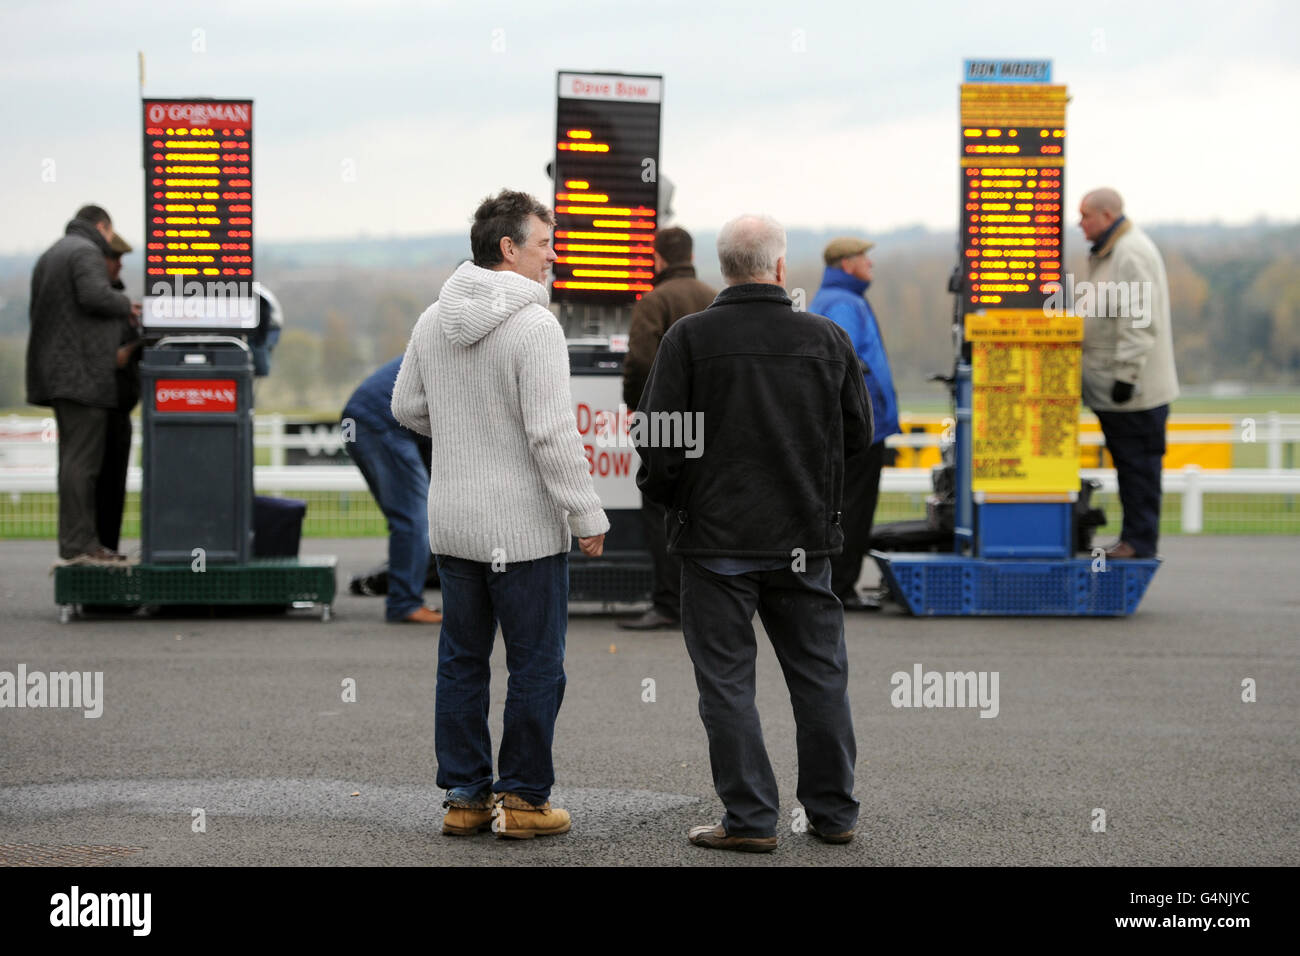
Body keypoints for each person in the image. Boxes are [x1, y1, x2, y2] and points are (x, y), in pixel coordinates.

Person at [636, 213, 873, 852]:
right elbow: (858, 434)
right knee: (820, 677)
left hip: (715, 543)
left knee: (727, 683)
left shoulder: (689, 338)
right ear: (780, 267)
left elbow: (659, 441)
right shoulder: (827, 338)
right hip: (803, 540)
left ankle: (749, 820)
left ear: (724, 268)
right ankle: (833, 813)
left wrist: (672, 498)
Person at [392, 189, 608, 840]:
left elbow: (405, 407)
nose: (553, 255)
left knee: (461, 662)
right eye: (545, 243)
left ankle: (464, 799)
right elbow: (551, 435)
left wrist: (464, 426)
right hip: (523, 532)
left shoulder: (434, 319)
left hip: (454, 524)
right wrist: (586, 514)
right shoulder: (537, 326)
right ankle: (523, 802)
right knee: (535, 666)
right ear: (509, 248)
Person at [26, 205, 141, 561]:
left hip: (62, 374)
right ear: (102, 227)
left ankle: (79, 543)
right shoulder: (86, 251)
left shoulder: (53, 254)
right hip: (82, 377)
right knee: (82, 464)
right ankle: (81, 546)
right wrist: (127, 306)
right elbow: (93, 295)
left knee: (74, 460)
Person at [619, 226, 716, 631]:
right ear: (690, 256)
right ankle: (706, 601)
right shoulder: (714, 298)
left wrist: (637, 406)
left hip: (663, 424)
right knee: (705, 510)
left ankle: (667, 604)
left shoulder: (654, 301)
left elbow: (641, 361)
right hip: (710, 423)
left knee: (659, 509)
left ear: (658, 259)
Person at [1078, 188, 1179, 559]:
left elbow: (1140, 319)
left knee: (1138, 471)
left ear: (1107, 216)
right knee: (1131, 468)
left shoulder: (1129, 252)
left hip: (1134, 394)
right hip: (1117, 392)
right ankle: (1134, 540)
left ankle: (1138, 544)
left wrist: (1126, 375)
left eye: (1086, 215)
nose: (1080, 223)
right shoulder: (1112, 252)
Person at [810, 237, 900, 609]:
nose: (870, 264)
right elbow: (840, 362)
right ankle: (842, 588)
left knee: (845, 506)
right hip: (860, 427)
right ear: (847, 264)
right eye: (865, 257)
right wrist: (863, 414)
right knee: (854, 509)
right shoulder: (845, 303)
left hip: (851, 426)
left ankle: (838, 585)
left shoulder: (836, 298)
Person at [343, 357, 442, 624]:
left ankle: (419, 588)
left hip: (387, 420)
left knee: (437, 509)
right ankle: (404, 603)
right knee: (413, 517)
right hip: (381, 421)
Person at [98, 231, 142, 554]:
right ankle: (100, 547)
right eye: (114, 258)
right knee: (103, 484)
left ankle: (107, 547)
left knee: (114, 486)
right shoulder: (102, 304)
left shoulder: (116, 302)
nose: (119, 265)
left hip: (119, 408)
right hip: (102, 406)